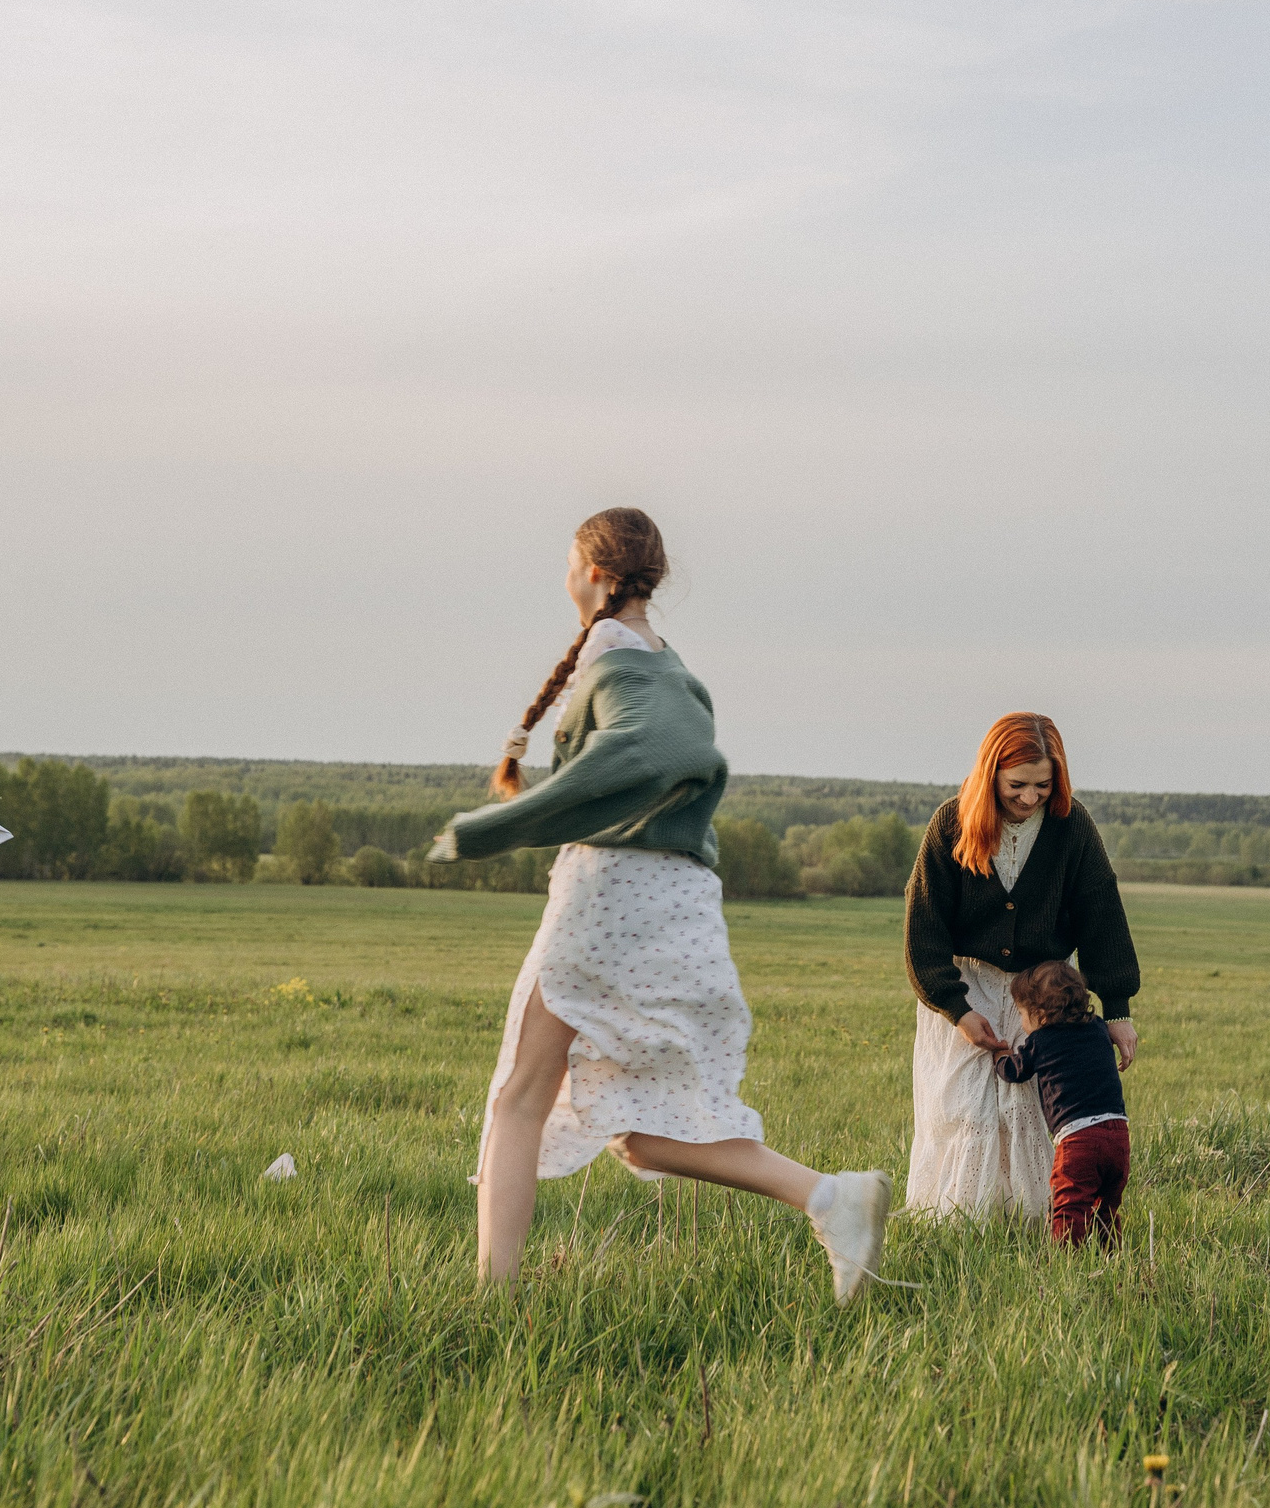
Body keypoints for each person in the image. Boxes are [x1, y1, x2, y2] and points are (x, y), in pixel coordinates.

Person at [431, 507, 897, 1301]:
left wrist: (492, 827)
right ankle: (828, 1196)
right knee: (641, 1134)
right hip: (673, 898)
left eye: (571, 564)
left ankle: (492, 1298)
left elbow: (667, 751)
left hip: (611, 895)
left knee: (520, 1096)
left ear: (599, 576)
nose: (567, 579)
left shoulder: (614, 651)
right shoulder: (668, 659)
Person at [902, 712, 1141, 1220]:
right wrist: (957, 1009)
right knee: (965, 1109)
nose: (1030, 797)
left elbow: (1102, 913)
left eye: (1043, 784)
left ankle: (1030, 1221)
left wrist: (1116, 1008)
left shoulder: (1071, 825)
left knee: (1029, 1109)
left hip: (1042, 993)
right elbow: (923, 930)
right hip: (966, 989)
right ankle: (957, 1223)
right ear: (991, 773)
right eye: (1017, 785)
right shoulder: (951, 822)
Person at [992, 961, 1129, 1247]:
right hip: (1118, 1134)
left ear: (1040, 1013)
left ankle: (1065, 1263)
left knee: (1069, 1205)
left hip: (1078, 1139)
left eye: (1021, 1013)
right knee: (1107, 1207)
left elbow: (1015, 1071)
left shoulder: (1041, 1041)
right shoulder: (1098, 1027)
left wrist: (1000, 1055)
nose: (1021, 1022)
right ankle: (1111, 1254)